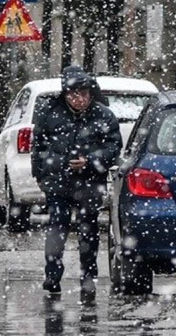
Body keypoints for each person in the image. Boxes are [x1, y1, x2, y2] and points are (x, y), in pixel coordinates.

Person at [31, 66, 123, 303]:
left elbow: (113, 147)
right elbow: (38, 146)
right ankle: (52, 275)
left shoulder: (103, 115)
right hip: (58, 182)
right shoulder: (50, 112)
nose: (79, 99)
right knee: (57, 229)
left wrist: (90, 161)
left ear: (91, 94)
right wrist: (40, 175)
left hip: (89, 183)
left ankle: (89, 277)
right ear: (65, 94)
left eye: (83, 94)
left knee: (88, 231)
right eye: (73, 94)